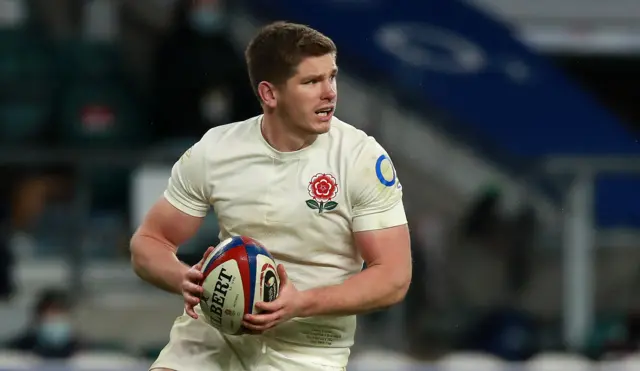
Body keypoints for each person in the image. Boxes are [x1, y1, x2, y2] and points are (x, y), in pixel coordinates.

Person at [130, 21, 412, 371]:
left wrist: (300, 303)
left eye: (332, 77)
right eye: (311, 82)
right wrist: (182, 277)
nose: (329, 93)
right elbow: (149, 242)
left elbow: (394, 278)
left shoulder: (361, 159)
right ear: (269, 94)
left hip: (307, 348)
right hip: (216, 332)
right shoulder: (217, 149)